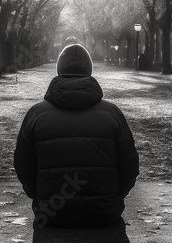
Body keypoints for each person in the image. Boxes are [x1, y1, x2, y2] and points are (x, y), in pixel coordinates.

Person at [14, 43, 139, 228]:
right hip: (104, 213)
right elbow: (130, 166)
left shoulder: (36, 114)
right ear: (89, 70)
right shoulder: (112, 114)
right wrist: (114, 197)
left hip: (50, 213)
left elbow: (23, 165)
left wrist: (40, 196)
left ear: (59, 70)